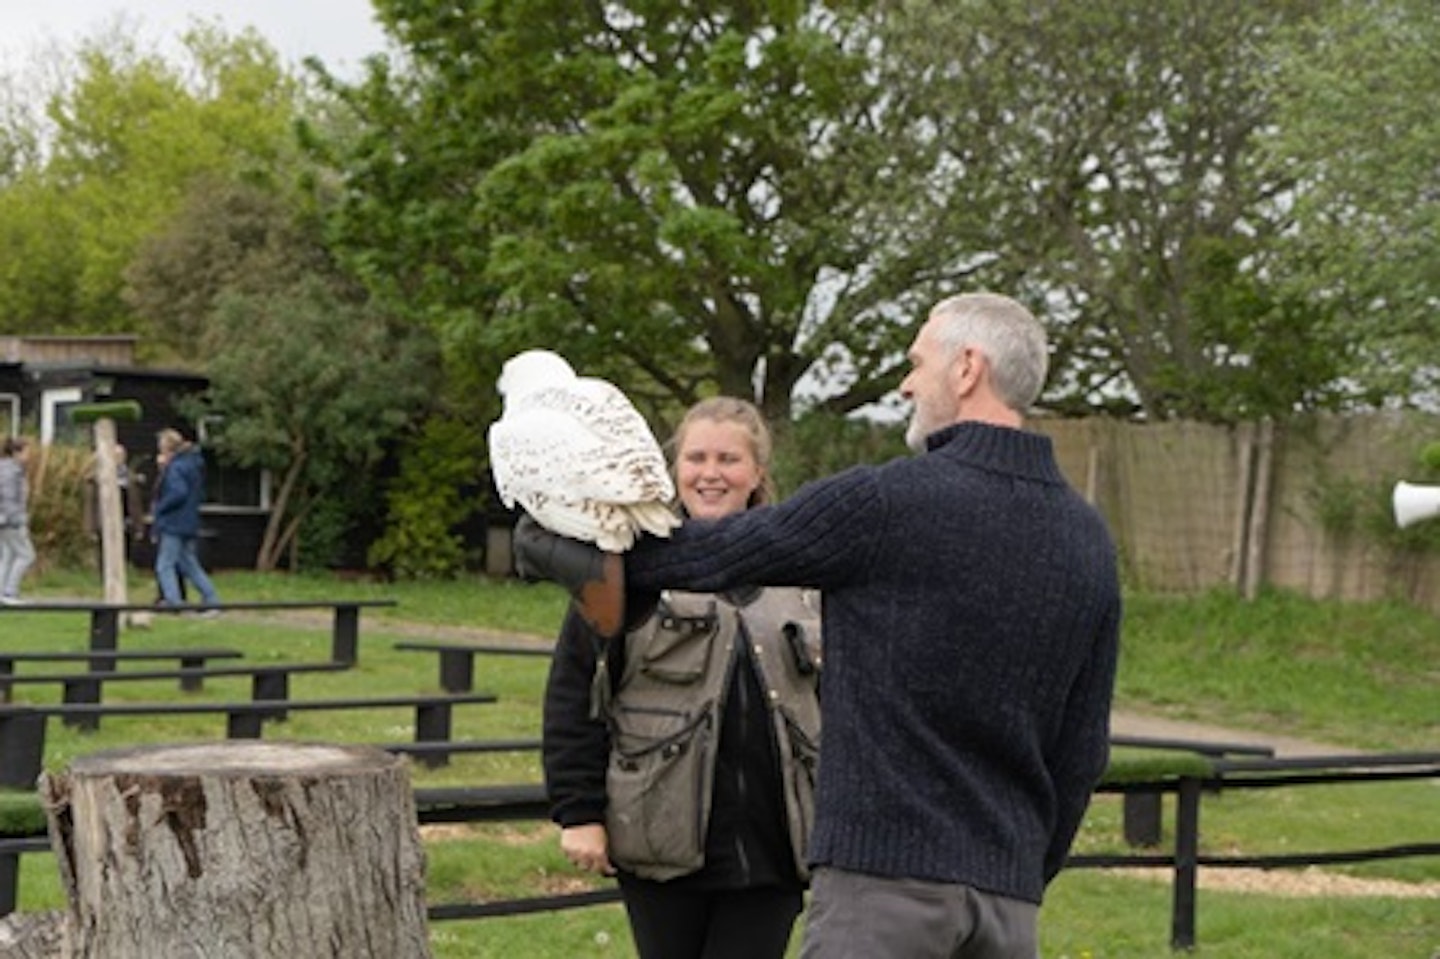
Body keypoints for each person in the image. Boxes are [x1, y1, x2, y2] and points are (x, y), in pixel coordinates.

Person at [517, 292, 1122, 959]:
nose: (906, 382)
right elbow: (1083, 748)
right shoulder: (1088, 539)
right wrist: (1021, 871)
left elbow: (714, 550)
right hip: (1008, 907)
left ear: (967, 368)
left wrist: (573, 540)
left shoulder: (888, 503)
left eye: (917, 362)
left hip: (882, 892)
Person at [542, 397, 822, 959]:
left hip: (776, 850)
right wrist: (580, 813)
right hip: (657, 841)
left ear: (758, 473)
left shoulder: (807, 574)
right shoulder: (626, 568)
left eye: (729, 459)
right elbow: (575, 694)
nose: (710, 473)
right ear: (674, 469)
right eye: (696, 458)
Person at [152, 428, 220, 611]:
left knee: (165, 565)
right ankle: (211, 598)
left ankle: (174, 603)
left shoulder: (175, 467)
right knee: (190, 564)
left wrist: (160, 508)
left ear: (167, 448)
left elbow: (178, 492)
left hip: (173, 522)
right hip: (189, 521)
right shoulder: (193, 465)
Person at [0, 437, 36, 605]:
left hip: (5, 519)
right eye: (26, 452)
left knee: (8, 555)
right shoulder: (11, 471)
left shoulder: (9, 468)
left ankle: (3, 591)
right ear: (16, 453)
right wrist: (15, 519)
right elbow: (8, 498)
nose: (29, 456)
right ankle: (10, 592)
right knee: (26, 555)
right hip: (11, 520)